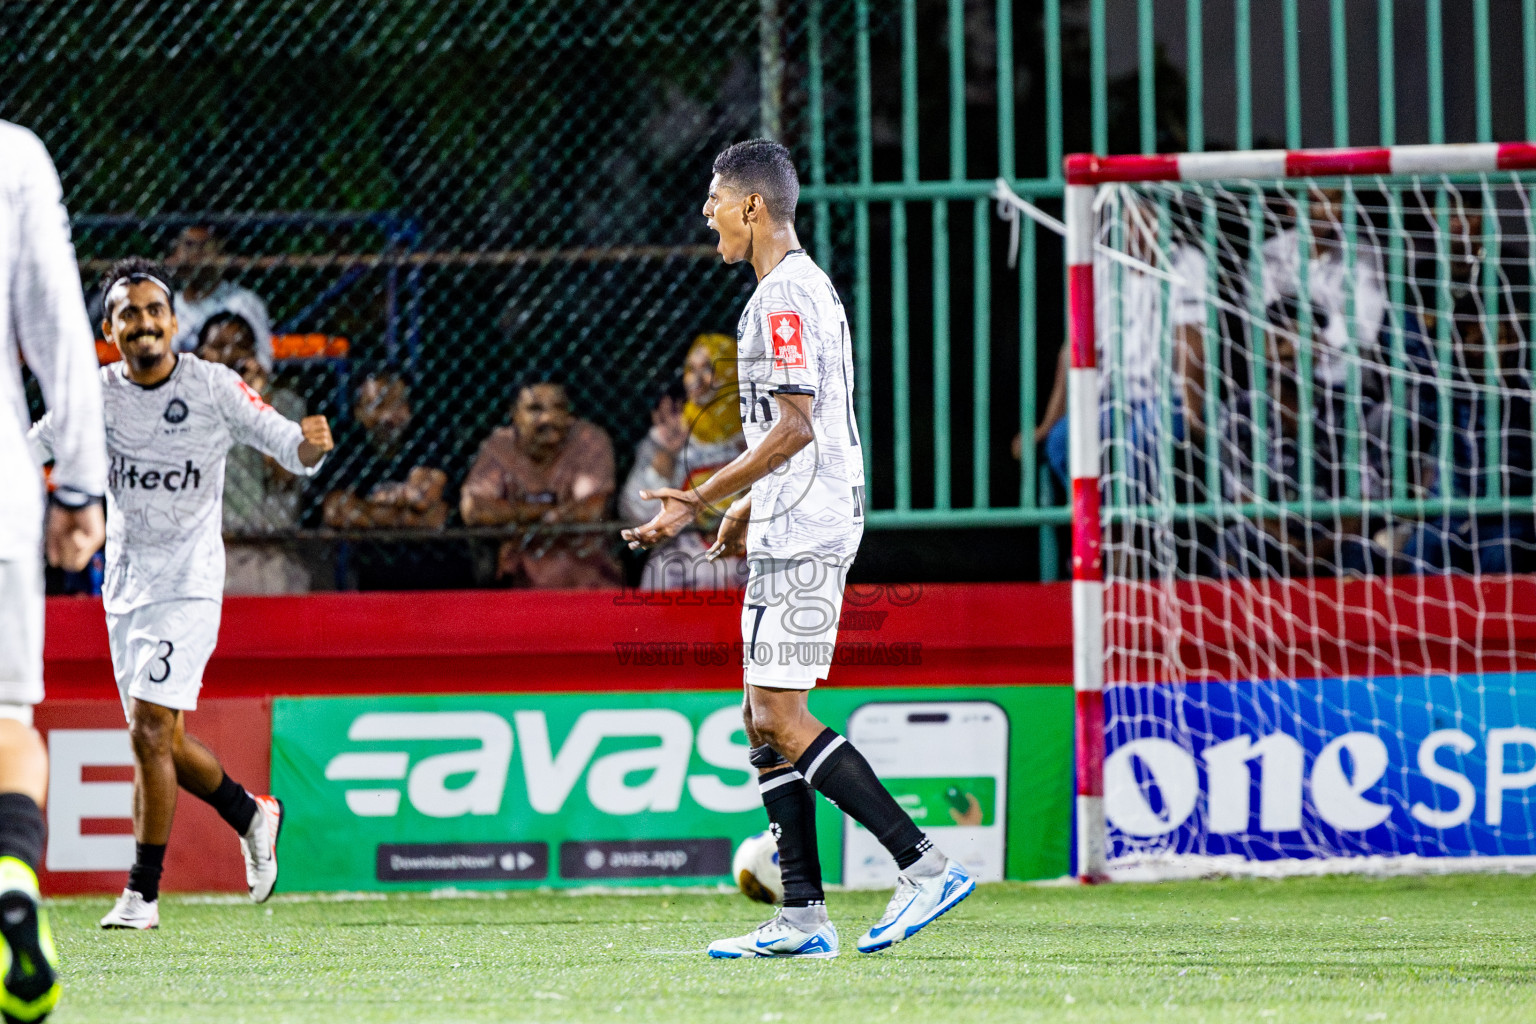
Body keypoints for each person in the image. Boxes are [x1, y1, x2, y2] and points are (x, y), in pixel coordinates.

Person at [625, 139, 974, 959]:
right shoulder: (792, 290)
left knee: (781, 714)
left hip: (811, 525)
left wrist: (702, 495)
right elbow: (798, 433)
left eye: (714, 197)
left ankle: (925, 866)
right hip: (793, 516)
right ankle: (804, 916)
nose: (706, 211)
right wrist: (749, 504)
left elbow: (795, 425)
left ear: (751, 206)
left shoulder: (781, 297)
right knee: (758, 714)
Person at [30, 258, 333, 931]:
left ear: (174, 321)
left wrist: (312, 447)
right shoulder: (94, 394)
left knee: (147, 733)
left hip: (191, 585)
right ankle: (252, 813)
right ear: (110, 330)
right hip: (126, 587)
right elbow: (28, 453)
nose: (142, 323)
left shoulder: (214, 386)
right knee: (160, 738)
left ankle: (142, 893)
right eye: (127, 314)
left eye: (153, 310)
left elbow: (287, 446)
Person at [0, 118, 108, 1023]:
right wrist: (79, 486)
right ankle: (13, 882)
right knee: (5, 725)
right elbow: (59, 334)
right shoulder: (14, 157)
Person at [461, 378, 621, 588]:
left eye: (559, 408)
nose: (548, 418)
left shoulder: (588, 439)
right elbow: (474, 510)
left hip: (589, 585)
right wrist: (552, 512)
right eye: (535, 409)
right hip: (521, 589)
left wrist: (517, 517)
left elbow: (591, 510)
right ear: (514, 413)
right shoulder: (499, 445)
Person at [621, 333, 748, 593]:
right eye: (690, 369)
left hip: (746, 553)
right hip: (684, 559)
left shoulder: (759, 431)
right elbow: (639, 514)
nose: (696, 379)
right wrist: (666, 454)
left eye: (708, 369)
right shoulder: (671, 432)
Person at [196, 313, 309, 594]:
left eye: (239, 347)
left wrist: (258, 403)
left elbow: (285, 477)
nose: (230, 355)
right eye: (219, 346)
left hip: (271, 549)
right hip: (207, 548)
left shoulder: (284, 404)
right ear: (201, 355)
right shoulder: (188, 408)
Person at [317, 372, 463, 589]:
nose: (389, 417)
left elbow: (423, 498)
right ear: (359, 412)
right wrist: (412, 518)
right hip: (370, 576)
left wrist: (369, 508)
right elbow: (336, 511)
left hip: (436, 572)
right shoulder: (348, 446)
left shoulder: (428, 439)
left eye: (398, 405)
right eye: (378, 405)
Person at [166, 225, 274, 371]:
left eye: (204, 245)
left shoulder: (243, 302)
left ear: (219, 251)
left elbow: (262, 363)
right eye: (189, 244)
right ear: (175, 252)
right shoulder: (167, 307)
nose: (196, 253)